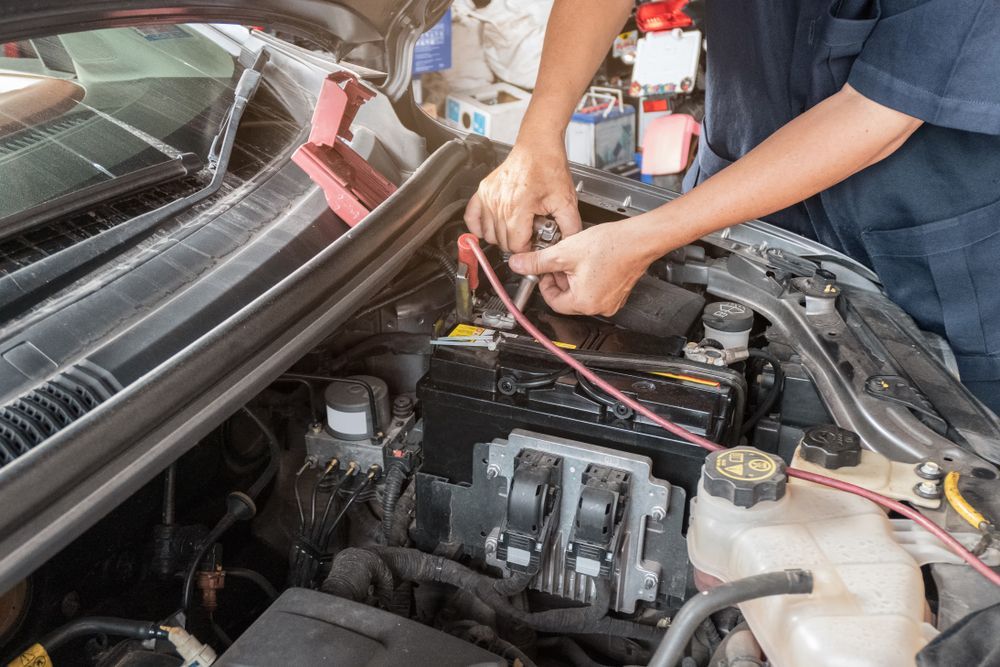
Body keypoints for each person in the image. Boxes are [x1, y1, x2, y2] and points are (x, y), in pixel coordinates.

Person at [463, 0, 1000, 412]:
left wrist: (643, 239)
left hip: (920, 236)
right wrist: (538, 138)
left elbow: (879, 112)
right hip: (735, 195)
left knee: (949, 452)